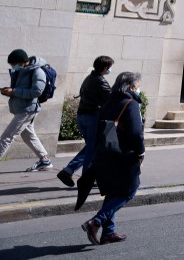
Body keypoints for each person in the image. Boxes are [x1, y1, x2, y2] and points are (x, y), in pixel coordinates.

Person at [81, 71, 145, 245]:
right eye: (137, 86)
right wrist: (140, 152)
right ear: (131, 86)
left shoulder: (108, 102)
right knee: (129, 190)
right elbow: (136, 133)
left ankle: (109, 232)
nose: (138, 89)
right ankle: (96, 222)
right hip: (124, 156)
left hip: (105, 153)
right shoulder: (131, 104)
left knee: (113, 191)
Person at [58, 56, 114, 187]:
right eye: (109, 67)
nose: (110, 70)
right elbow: (111, 101)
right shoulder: (101, 81)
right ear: (105, 68)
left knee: (92, 147)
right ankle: (85, 178)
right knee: (93, 148)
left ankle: (70, 171)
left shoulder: (89, 78)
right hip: (92, 117)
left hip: (82, 116)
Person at [0, 49, 53, 171]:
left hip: (28, 109)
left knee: (7, 136)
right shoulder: (23, 70)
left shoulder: (38, 72)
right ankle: (45, 161)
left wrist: (14, 91)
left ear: (23, 61)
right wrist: (8, 91)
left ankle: (45, 161)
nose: (13, 67)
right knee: (28, 136)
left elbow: (36, 92)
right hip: (22, 108)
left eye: (14, 64)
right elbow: (19, 89)